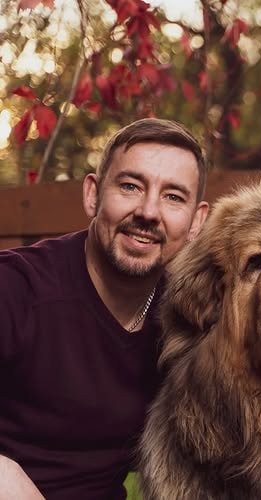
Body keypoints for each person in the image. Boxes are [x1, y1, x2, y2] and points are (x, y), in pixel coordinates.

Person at [0, 118, 210, 500]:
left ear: (197, 221)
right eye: (130, 186)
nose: (149, 211)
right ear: (93, 195)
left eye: (173, 197)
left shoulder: (186, 319)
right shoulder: (16, 288)